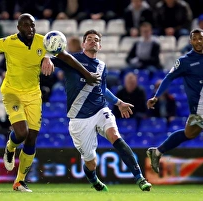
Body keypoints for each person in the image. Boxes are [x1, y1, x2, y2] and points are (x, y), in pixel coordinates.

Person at [0, 13, 100, 192]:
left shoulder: (43, 42)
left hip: (33, 95)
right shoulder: (7, 42)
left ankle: (20, 182)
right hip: (12, 93)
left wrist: (86, 74)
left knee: (32, 137)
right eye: (26, 26)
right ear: (18, 28)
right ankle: (10, 147)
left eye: (32, 25)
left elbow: (67, 57)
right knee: (21, 133)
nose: (30, 29)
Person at [51, 29, 152, 191]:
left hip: (100, 110)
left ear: (100, 45)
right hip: (79, 118)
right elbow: (52, 60)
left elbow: (101, 89)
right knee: (91, 161)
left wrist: (118, 102)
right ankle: (93, 179)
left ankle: (139, 178)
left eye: (96, 39)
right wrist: (48, 61)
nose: (93, 41)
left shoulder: (102, 66)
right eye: (89, 39)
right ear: (83, 44)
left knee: (115, 136)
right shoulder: (72, 59)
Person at [146, 28, 203, 174]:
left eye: (201, 38)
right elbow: (168, 78)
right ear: (190, 42)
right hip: (198, 107)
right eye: (195, 39)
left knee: (189, 134)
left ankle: (158, 152)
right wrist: (156, 96)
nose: (198, 41)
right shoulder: (185, 62)